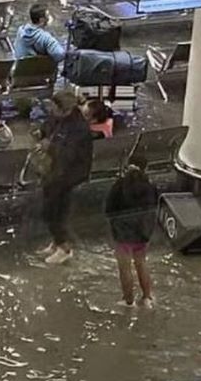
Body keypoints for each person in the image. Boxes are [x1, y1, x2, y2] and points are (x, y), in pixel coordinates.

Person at [36, 91, 94, 265]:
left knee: (55, 210)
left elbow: (70, 154)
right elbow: (47, 127)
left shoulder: (79, 128)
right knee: (49, 207)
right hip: (53, 171)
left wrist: (50, 147)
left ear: (66, 110)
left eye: (55, 108)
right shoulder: (58, 118)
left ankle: (64, 247)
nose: (52, 111)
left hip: (68, 174)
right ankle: (56, 241)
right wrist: (41, 133)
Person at [105, 154, 159, 307]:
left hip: (123, 235)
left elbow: (109, 209)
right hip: (142, 234)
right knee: (141, 263)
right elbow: (154, 207)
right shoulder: (149, 186)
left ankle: (128, 301)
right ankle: (147, 297)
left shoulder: (119, 185)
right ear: (145, 168)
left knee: (125, 268)